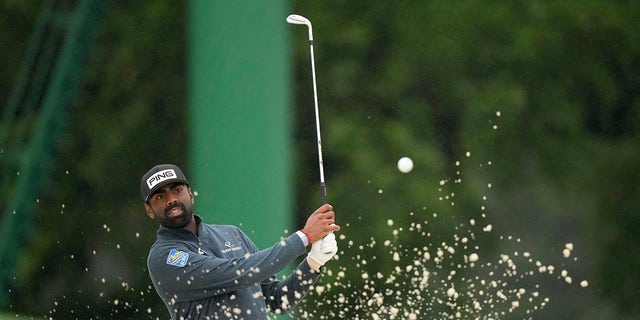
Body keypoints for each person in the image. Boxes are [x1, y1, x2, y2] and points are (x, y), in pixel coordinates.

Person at [140, 164, 340, 319]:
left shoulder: (232, 234)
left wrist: (313, 263)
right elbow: (238, 272)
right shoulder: (164, 256)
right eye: (160, 196)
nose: (171, 199)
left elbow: (278, 300)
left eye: (177, 190)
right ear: (149, 210)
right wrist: (304, 237)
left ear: (190, 195)